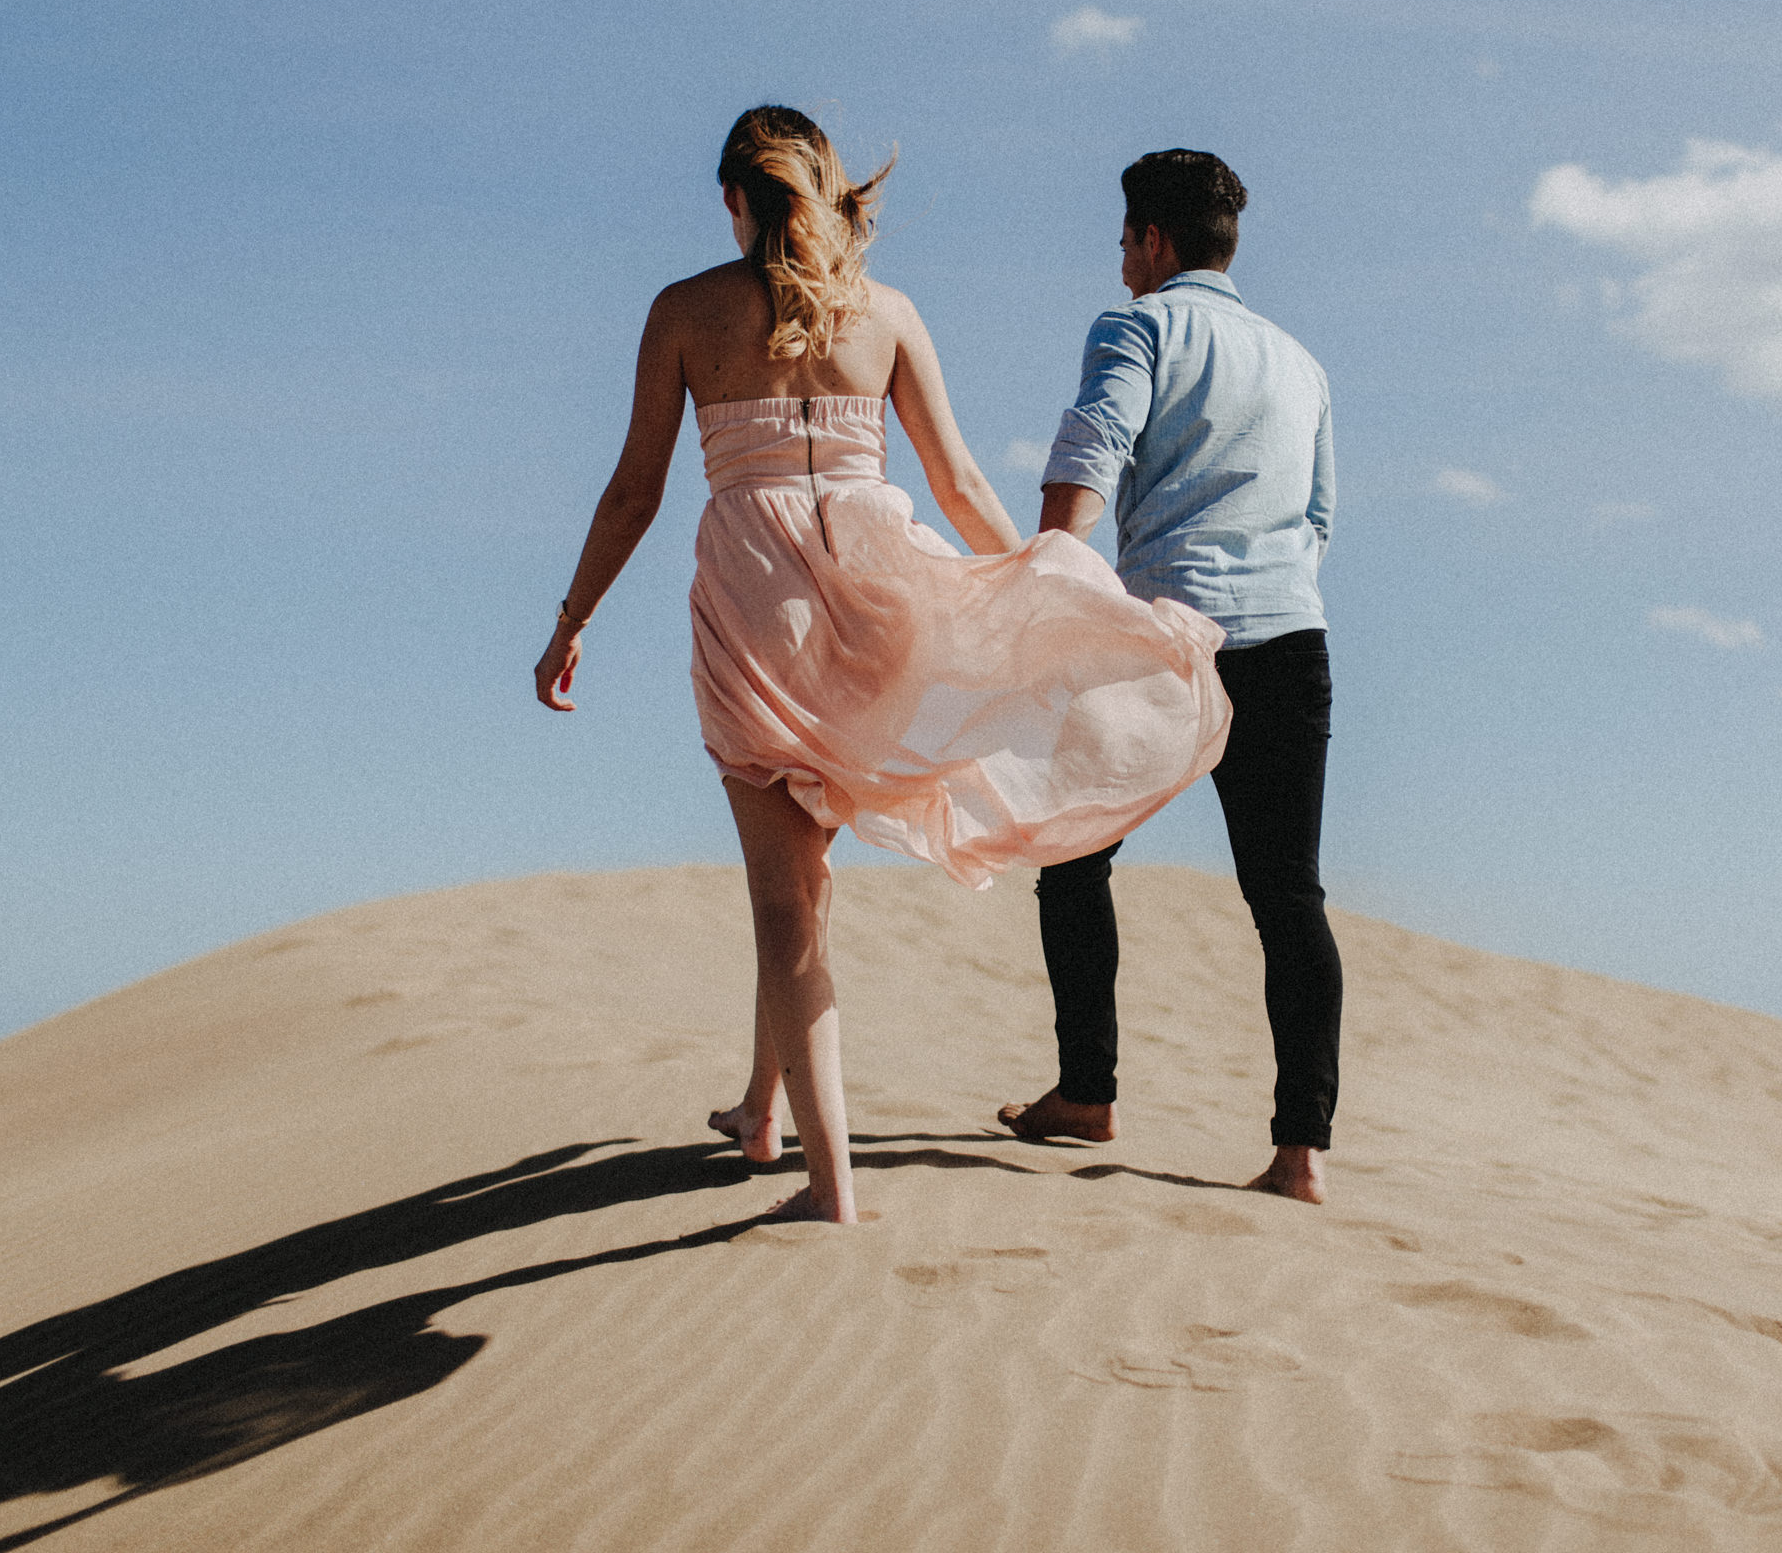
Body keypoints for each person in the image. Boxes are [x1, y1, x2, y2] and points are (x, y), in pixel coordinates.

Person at [537, 108, 1231, 1224]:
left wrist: (572, 616)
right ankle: (763, 1107)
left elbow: (635, 489)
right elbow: (956, 480)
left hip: (761, 609)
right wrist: (1042, 586)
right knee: (804, 877)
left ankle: (828, 1186)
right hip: (878, 600)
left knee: (785, 904)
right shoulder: (889, 313)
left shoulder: (684, 309)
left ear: (735, 198)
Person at [996, 149, 1343, 1204]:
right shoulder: (1302, 361)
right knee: (1289, 897)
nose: (1120, 261)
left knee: (1074, 855)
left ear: (1152, 239)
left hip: (1164, 633)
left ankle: (1088, 1089)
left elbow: (1092, 444)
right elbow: (1318, 515)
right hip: (1290, 632)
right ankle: (1300, 1152)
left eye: (1123, 240)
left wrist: (1049, 574)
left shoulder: (1138, 327)